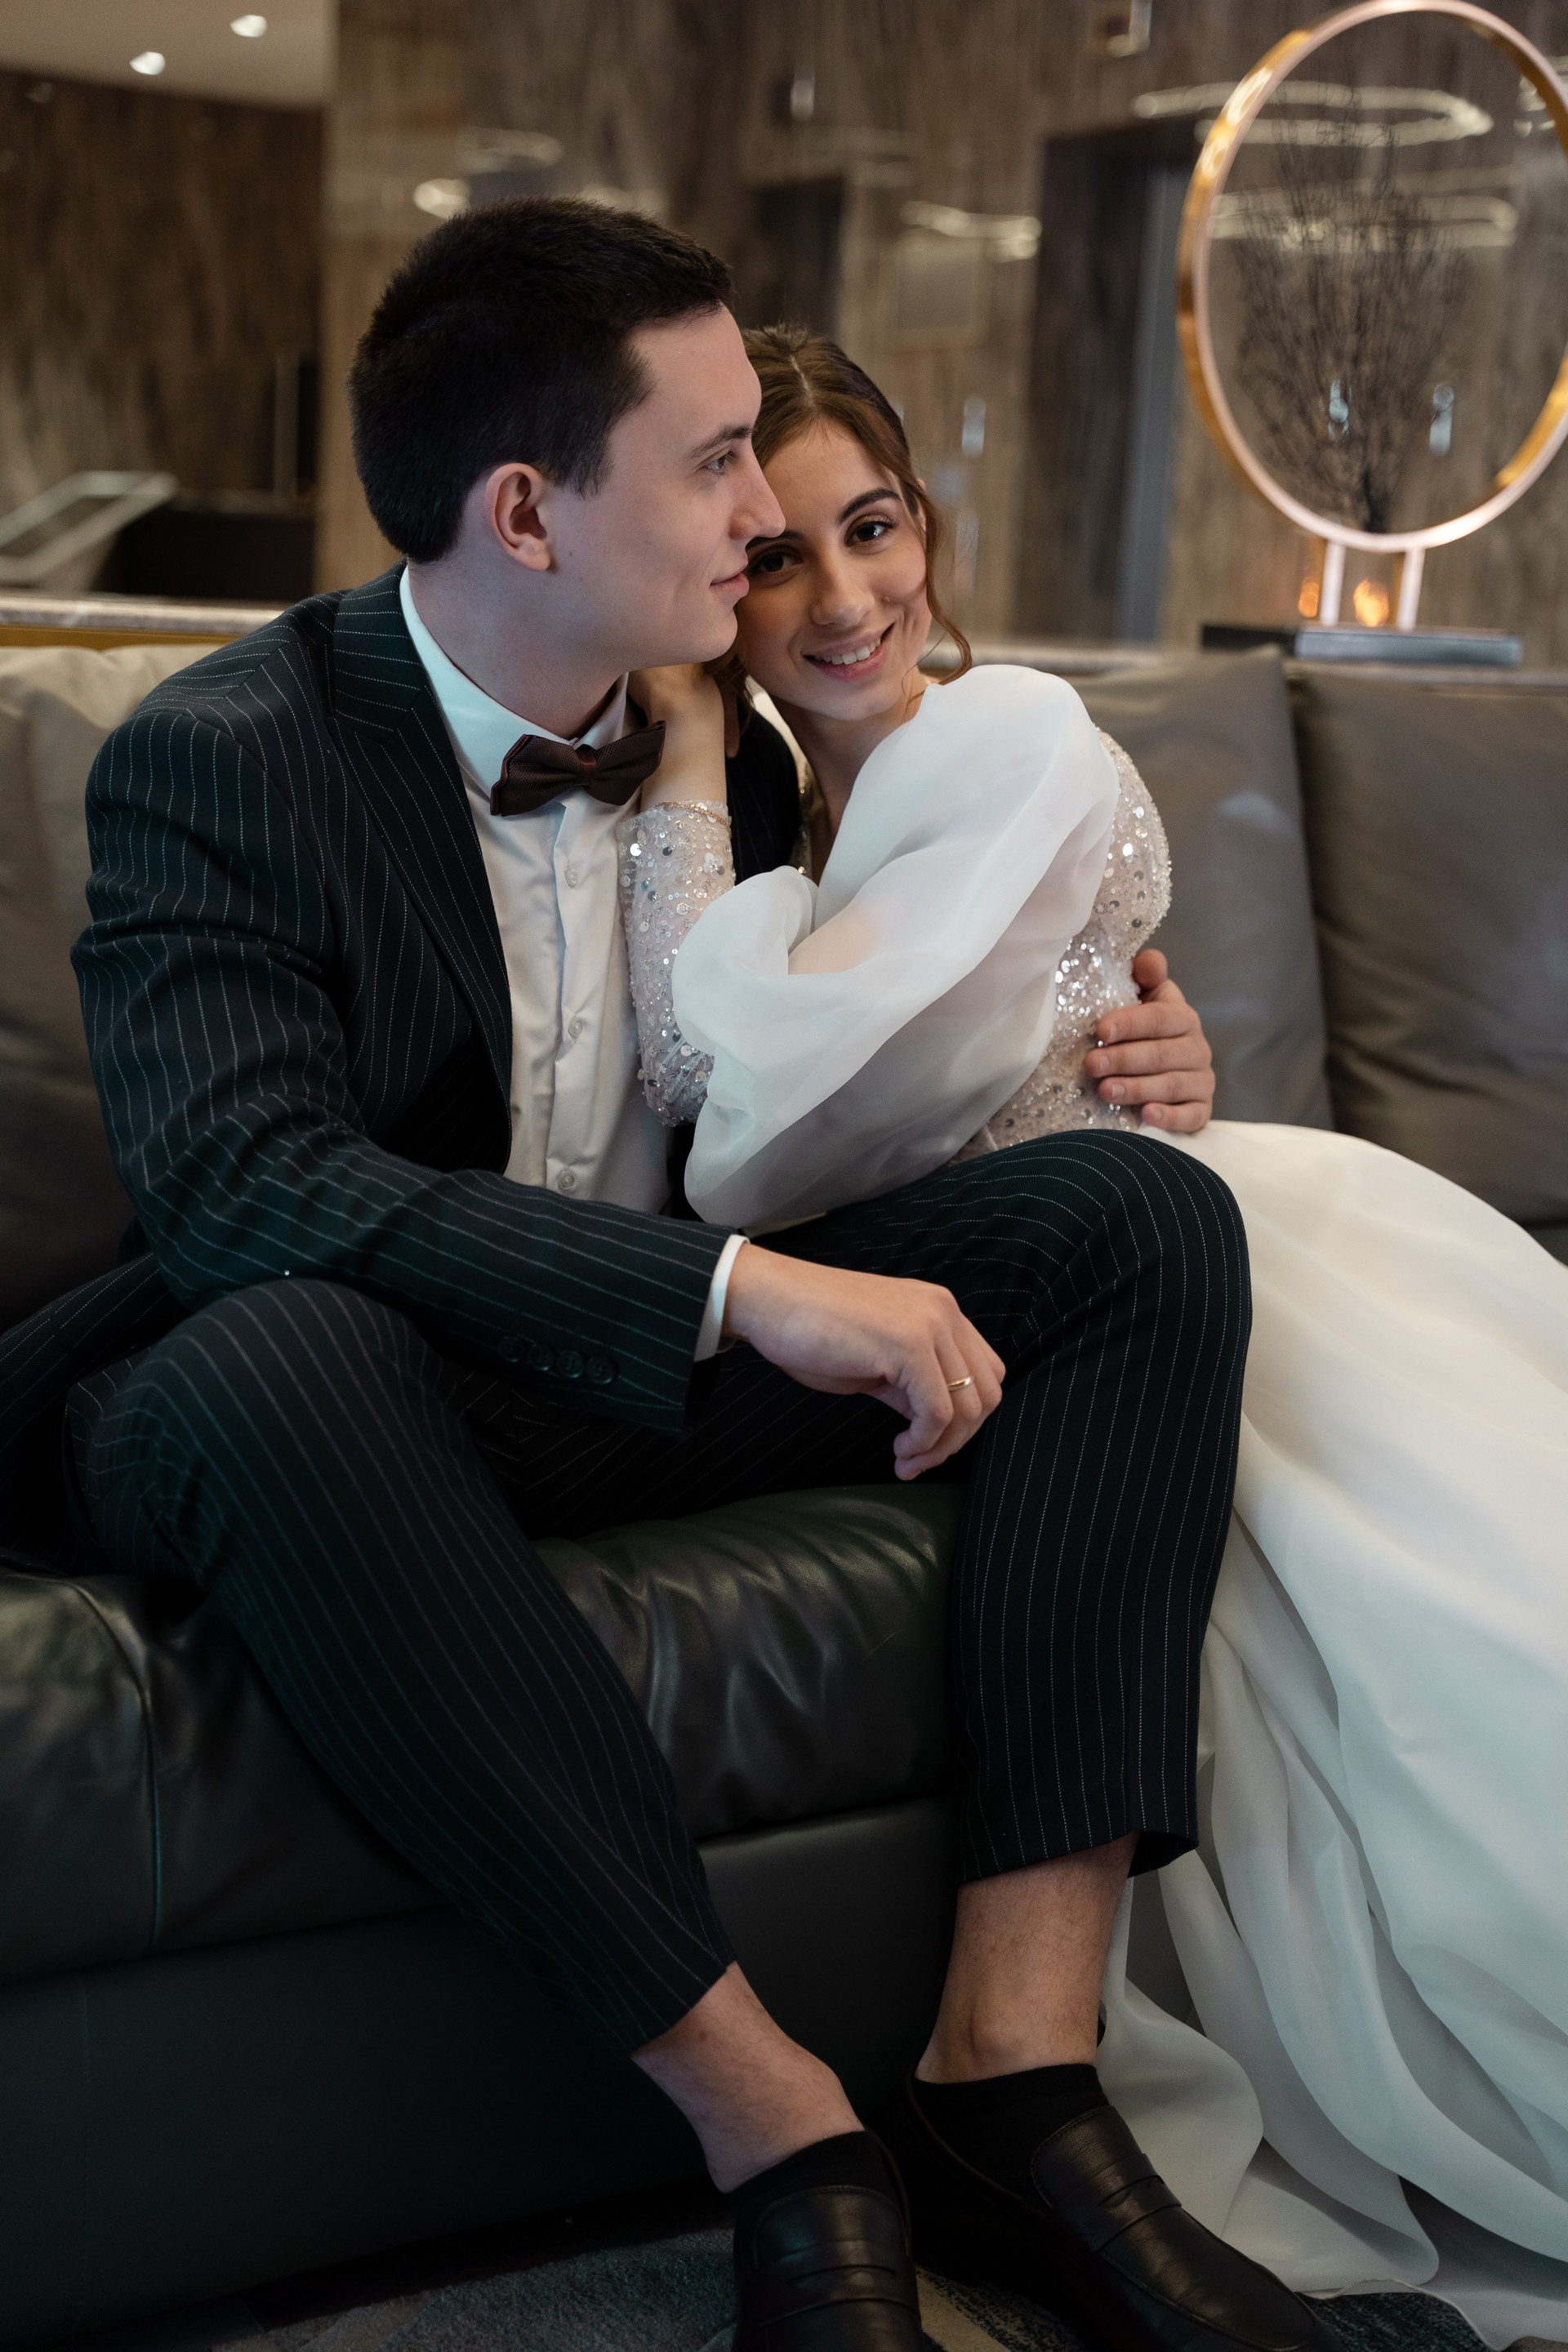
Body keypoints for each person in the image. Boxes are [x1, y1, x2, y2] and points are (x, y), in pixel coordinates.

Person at [0, 199, 1331, 2352]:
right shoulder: (226, 752)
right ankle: (781, 2129)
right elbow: (244, 1188)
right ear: (527, 511)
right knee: (278, 1352)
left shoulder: (766, 746)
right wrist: (739, 1293)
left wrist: (1124, 1051)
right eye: (716, 466)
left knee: (1140, 1226)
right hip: (340, 1394)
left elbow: (889, 1067)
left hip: (597, 1391)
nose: (762, 518)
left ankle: (1012, 2076)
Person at [617, 324, 1568, 2301]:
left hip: (1126, 1267)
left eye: (876, 527)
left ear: (928, 526)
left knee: (1437, 1609)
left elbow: (743, 1125)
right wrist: (706, 764)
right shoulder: (771, 814)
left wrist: (693, 757)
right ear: (713, 574)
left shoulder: (1011, 744)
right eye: (779, 555)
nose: (846, 596)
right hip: (1036, 1275)